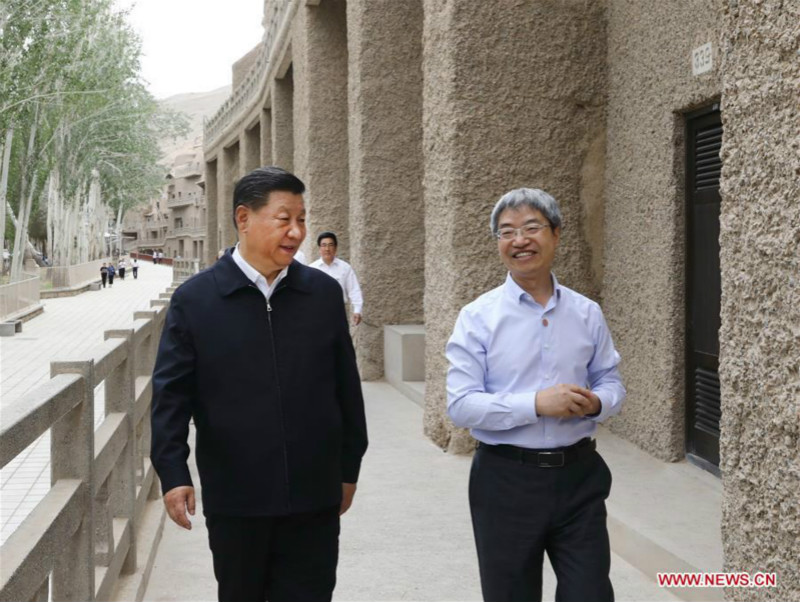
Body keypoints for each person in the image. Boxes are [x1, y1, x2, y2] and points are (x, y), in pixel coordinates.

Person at [151, 166, 368, 602]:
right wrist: (173, 473)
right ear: (243, 219)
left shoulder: (322, 295)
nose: (296, 231)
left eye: (301, 220)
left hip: (315, 495)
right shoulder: (196, 301)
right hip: (237, 499)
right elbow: (171, 396)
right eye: (283, 218)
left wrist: (348, 468)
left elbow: (347, 389)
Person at [446, 188, 625, 602]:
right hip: (505, 480)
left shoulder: (586, 313)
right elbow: (461, 405)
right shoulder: (477, 317)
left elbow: (611, 381)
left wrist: (598, 402)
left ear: (556, 235)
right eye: (506, 232)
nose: (519, 240)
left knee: (591, 594)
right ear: (498, 245)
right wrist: (536, 404)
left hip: (579, 477)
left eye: (531, 228)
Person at [309, 232, 364, 326]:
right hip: (317, 313)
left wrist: (357, 310)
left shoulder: (345, 268)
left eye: (331, 245)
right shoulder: (311, 269)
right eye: (324, 245)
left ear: (335, 247)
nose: (327, 249)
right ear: (319, 248)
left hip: (339, 313)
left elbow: (354, 290)